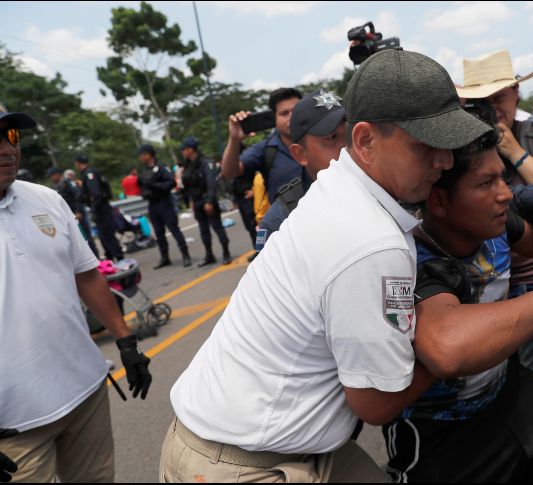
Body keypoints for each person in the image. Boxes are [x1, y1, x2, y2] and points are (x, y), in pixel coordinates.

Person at [159, 49, 498, 483]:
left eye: (448, 145)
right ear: (364, 141)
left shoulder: (340, 183)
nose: (445, 161)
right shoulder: (372, 242)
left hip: (257, 439)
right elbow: (376, 404)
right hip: (241, 463)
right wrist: (449, 349)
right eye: (426, 145)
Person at [383, 123, 533, 482]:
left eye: (502, 178)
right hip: (438, 425)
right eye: (486, 184)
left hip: (504, 390)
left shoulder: (491, 227)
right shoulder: (410, 259)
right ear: (438, 201)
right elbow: (448, 349)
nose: (505, 194)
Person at [0, 109, 152, 482]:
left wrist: (126, 341)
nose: (6, 148)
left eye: (11, 136)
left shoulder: (47, 200)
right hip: (13, 425)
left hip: (85, 395)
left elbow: (86, 275)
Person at [457, 49, 533, 384]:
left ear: (516, 94)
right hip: (483, 284)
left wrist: (512, 150)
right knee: (492, 377)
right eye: (481, 101)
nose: (492, 109)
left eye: (500, 98)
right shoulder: (460, 142)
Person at [242, 88, 347, 256]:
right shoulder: (281, 221)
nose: (348, 148)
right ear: (300, 154)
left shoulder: (384, 184)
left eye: (351, 133)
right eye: (331, 138)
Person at [221, 88, 304, 203]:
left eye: (296, 111)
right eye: (284, 113)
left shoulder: (324, 137)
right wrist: (234, 139)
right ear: (274, 118)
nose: (291, 117)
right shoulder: (266, 149)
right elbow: (229, 172)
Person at [137, 144, 192, 269]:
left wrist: (154, 185)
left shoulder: (161, 168)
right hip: (153, 204)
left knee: (174, 229)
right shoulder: (144, 171)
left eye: (142, 155)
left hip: (165, 203)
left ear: (148, 154)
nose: (140, 158)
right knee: (159, 232)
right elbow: (143, 186)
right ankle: (165, 257)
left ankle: (185, 254)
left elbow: (171, 183)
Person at [180, 136, 231, 266]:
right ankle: (209, 255)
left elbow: (211, 183)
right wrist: (190, 201)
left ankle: (226, 252)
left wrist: (209, 201)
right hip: (196, 201)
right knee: (203, 230)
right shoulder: (188, 165)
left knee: (217, 227)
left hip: (207, 199)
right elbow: (188, 185)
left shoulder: (205, 162)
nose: (183, 152)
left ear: (191, 149)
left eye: (184, 149)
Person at [75, 154, 124, 261]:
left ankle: (119, 257)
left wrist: (94, 210)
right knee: (104, 235)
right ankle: (111, 257)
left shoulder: (89, 174)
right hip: (102, 207)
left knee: (107, 235)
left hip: (101, 208)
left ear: (78, 163)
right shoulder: (91, 172)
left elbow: (96, 194)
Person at [47, 166, 100, 258]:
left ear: (56, 175)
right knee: (76, 241)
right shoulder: (56, 187)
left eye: (51, 176)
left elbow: (79, 196)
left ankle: (96, 259)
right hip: (67, 217)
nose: (51, 178)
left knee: (86, 237)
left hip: (77, 214)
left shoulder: (68, 183)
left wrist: (79, 211)